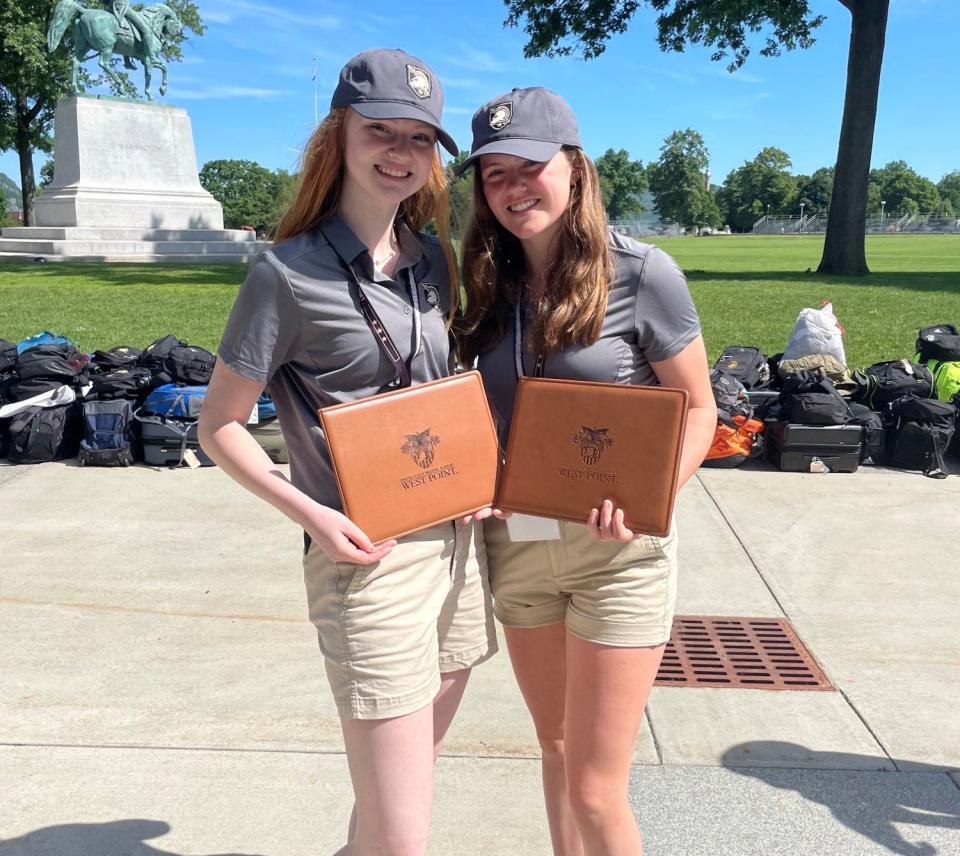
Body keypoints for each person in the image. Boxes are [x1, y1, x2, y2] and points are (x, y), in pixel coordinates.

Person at [197, 49, 497, 856]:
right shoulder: (284, 274)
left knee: (382, 814)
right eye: (380, 133)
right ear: (340, 135)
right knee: (404, 837)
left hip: (458, 546)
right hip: (366, 558)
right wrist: (315, 518)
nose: (400, 154)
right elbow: (219, 425)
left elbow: (442, 386)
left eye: (418, 139)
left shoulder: (434, 262)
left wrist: (479, 473)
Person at [455, 87, 716, 856]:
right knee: (558, 752)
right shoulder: (484, 279)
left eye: (529, 165)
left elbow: (698, 409)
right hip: (520, 548)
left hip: (618, 555)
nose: (512, 187)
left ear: (574, 167)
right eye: (493, 172)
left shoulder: (642, 272)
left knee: (598, 790)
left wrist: (650, 495)